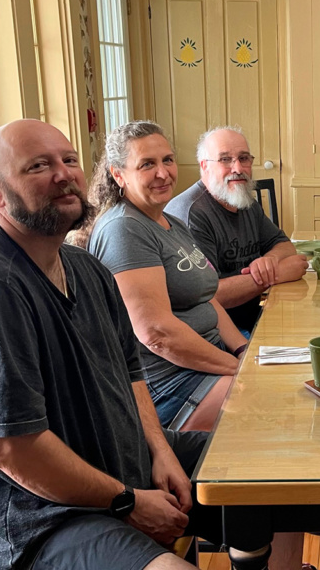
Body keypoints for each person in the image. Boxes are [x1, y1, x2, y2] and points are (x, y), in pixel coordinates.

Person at [0, 119, 277, 570]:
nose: (63, 173)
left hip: (123, 458)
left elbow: (130, 372)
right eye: (38, 166)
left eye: (69, 160)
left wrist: (159, 448)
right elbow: (13, 450)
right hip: (45, 514)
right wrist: (128, 501)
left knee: (254, 471)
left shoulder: (83, 266)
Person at [83, 121, 248, 432]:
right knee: (275, 408)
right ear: (119, 175)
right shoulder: (124, 229)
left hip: (211, 360)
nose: (163, 173)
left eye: (167, 160)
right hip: (167, 383)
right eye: (147, 164)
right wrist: (239, 369)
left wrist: (243, 350)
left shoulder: (169, 222)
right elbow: (157, 334)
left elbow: (206, 299)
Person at [166, 126, 307, 334]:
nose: (238, 168)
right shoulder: (191, 214)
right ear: (204, 166)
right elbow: (210, 296)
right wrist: (273, 274)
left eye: (244, 158)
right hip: (218, 334)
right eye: (225, 159)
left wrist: (268, 261)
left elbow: (284, 245)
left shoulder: (243, 199)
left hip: (257, 315)